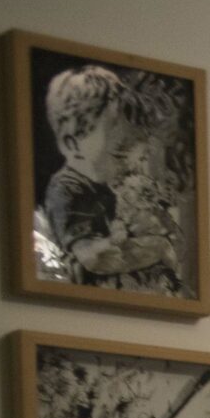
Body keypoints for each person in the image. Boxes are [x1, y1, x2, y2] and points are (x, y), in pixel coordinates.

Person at [39, 64, 174, 289]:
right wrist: (157, 248)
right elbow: (94, 258)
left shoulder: (108, 186)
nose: (130, 163)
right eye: (119, 154)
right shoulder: (66, 189)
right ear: (73, 144)